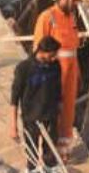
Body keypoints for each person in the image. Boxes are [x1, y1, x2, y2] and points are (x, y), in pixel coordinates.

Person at [34, 0, 87, 145]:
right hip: (54, 72)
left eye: (78, 1)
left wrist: (77, 73)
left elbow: (72, 49)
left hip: (70, 72)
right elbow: (38, 50)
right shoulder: (47, 17)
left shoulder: (71, 18)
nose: (76, 4)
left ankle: (64, 145)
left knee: (68, 110)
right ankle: (48, 145)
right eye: (74, 0)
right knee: (52, 108)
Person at [10, 35, 62, 165]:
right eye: (52, 54)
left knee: (50, 156)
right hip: (31, 118)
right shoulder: (24, 68)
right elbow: (14, 98)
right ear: (42, 52)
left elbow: (58, 90)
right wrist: (13, 126)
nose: (54, 57)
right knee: (32, 156)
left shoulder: (55, 66)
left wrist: (59, 112)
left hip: (51, 117)